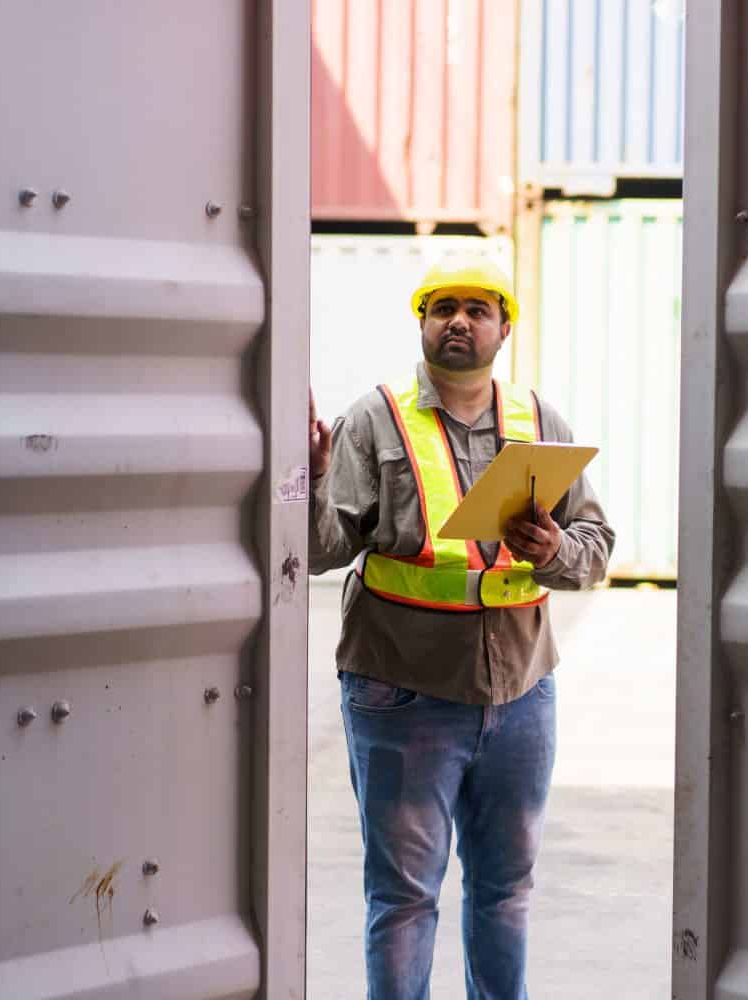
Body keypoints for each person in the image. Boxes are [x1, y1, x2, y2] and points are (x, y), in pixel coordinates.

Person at [308, 255, 615, 999]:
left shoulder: (539, 424)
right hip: (402, 693)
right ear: (422, 322)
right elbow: (321, 551)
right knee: (405, 897)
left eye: (478, 310)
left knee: (505, 892)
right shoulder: (374, 419)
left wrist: (556, 551)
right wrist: (312, 480)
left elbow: (597, 548)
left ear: (503, 329)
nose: (459, 321)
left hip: (521, 695)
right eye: (442, 307)